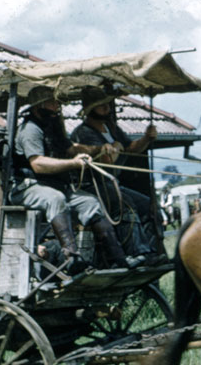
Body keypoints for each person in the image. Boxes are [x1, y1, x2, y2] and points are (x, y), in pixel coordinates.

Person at [11, 85, 142, 273]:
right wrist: (73, 164)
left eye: (57, 102)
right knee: (55, 199)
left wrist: (99, 149)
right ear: (37, 107)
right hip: (27, 186)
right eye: (52, 103)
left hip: (54, 185)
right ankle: (71, 257)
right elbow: (37, 164)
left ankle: (118, 259)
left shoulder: (52, 127)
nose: (57, 106)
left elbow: (72, 149)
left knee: (91, 202)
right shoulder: (30, 129)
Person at [70, 86, 164, 262]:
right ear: (91, 110)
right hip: (93, 187)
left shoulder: (111, 128)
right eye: (102, 106)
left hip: (112, 184)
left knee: (147, 205)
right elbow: (107, 160)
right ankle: (135, 253)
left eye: (107, 105)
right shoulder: (83, 133)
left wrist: (146, 138)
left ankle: (154, 252)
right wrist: (117, 148)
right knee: (125, 204)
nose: (107, 108)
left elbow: (130, 149)